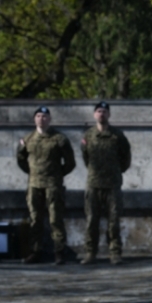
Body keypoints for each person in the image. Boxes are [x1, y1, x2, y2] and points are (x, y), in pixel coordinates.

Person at [16, 106, 75, 264]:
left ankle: (59, 251)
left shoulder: (59, 139)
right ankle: (35, 251)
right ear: (34, 119)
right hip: (34, 184)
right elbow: (21, 159)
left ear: (49, 119)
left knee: (55, 219)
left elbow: (70, 162)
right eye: (38, 116)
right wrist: (32, 173)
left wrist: (57, 174)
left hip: (53, 185)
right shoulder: (27, 139)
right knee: (35, 219)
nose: (41, 119)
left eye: (44, 116)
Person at [80, 101, 131, 264]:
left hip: (113, 184)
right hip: (94, 184)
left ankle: (115, 253)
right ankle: (90, 252)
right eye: (98, 111)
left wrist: (116, 172)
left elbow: (126, 159)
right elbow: (86, 158)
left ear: (109, 114)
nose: (101, 114)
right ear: (95, 115)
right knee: (91, 220)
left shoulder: (117, 135)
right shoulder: (88, 135)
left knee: (114, 220)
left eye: (104, 111)